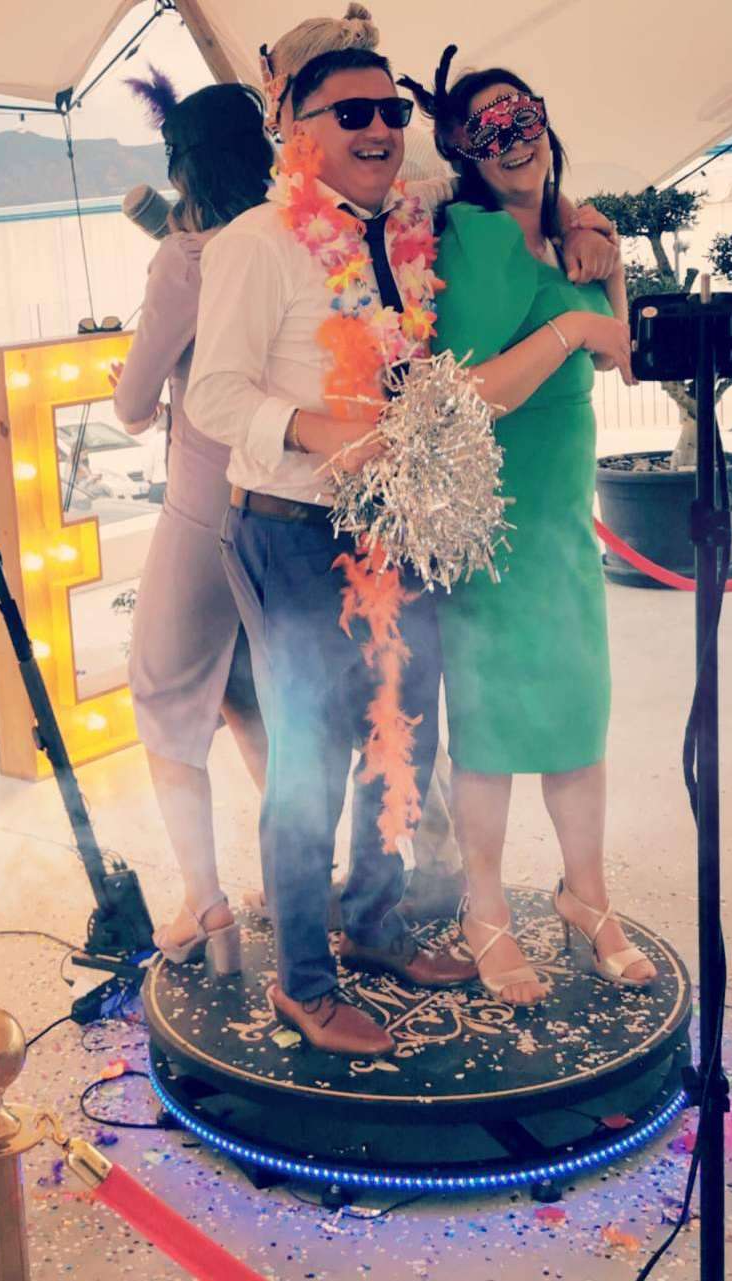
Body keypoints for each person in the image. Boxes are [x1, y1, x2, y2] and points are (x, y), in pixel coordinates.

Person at [186, 35, 482, 1056]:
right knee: (309, 762)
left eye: (392, 112)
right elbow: (213, 395)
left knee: (402, 738)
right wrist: (322, 434)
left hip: (401, 524)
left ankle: (374, 925)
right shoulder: (258, 242)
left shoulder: (405, 229)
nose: (379, 128)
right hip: (291, 530)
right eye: (351, 113)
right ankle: (302, 984)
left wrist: (579, 223)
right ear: (295, 134)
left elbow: (506, 183)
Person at [402, 52, 656, 1002]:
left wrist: (607, 255)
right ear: (462, 150)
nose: (513, 140)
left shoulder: (571, 232)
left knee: (578, 713)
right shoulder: (470, 238)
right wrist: (572, 330)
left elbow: (626, 359)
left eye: (523, 117)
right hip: (491, 520)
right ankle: (484, 910)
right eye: (488, 129)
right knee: (492, 727)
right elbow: (461, 394)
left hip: (561, 522)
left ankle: (585, 895)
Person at [111, 77, 277, 974]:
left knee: (165, 698)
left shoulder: (186, 258)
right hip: (286, 501)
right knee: (253, 696)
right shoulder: (293, 236)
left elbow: (136, 401)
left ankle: (204, 904)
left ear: (182, 167)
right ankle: (294, 881)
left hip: (205, 505)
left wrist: (130, 381)